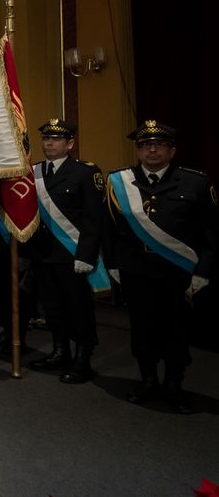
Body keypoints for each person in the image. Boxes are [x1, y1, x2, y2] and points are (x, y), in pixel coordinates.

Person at [105, 120, 217, 414]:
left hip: (176, 273)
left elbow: (211, 235)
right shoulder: (120, 181)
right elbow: (111, 230)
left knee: (175, 330)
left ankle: (174, 384)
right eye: (144, 145)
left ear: (172, 150)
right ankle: (147, 380)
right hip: (136, 272)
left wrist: (203, 272)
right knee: (142, 329)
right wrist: (114, 264)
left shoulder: (196, 182)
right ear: (138, 150)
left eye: (159, 145)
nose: (152, 150)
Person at [28, 119, 105, 384]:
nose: (49, 143)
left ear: (69, 143)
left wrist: (86, 255)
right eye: (46, 139)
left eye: (57, 139)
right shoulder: (34, 171)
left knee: (78, 308)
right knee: (52, 307)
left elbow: (94, 220)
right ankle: (60, 351)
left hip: (72, 255)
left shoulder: (85, 172)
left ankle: (82, 358)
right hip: (43, 254)